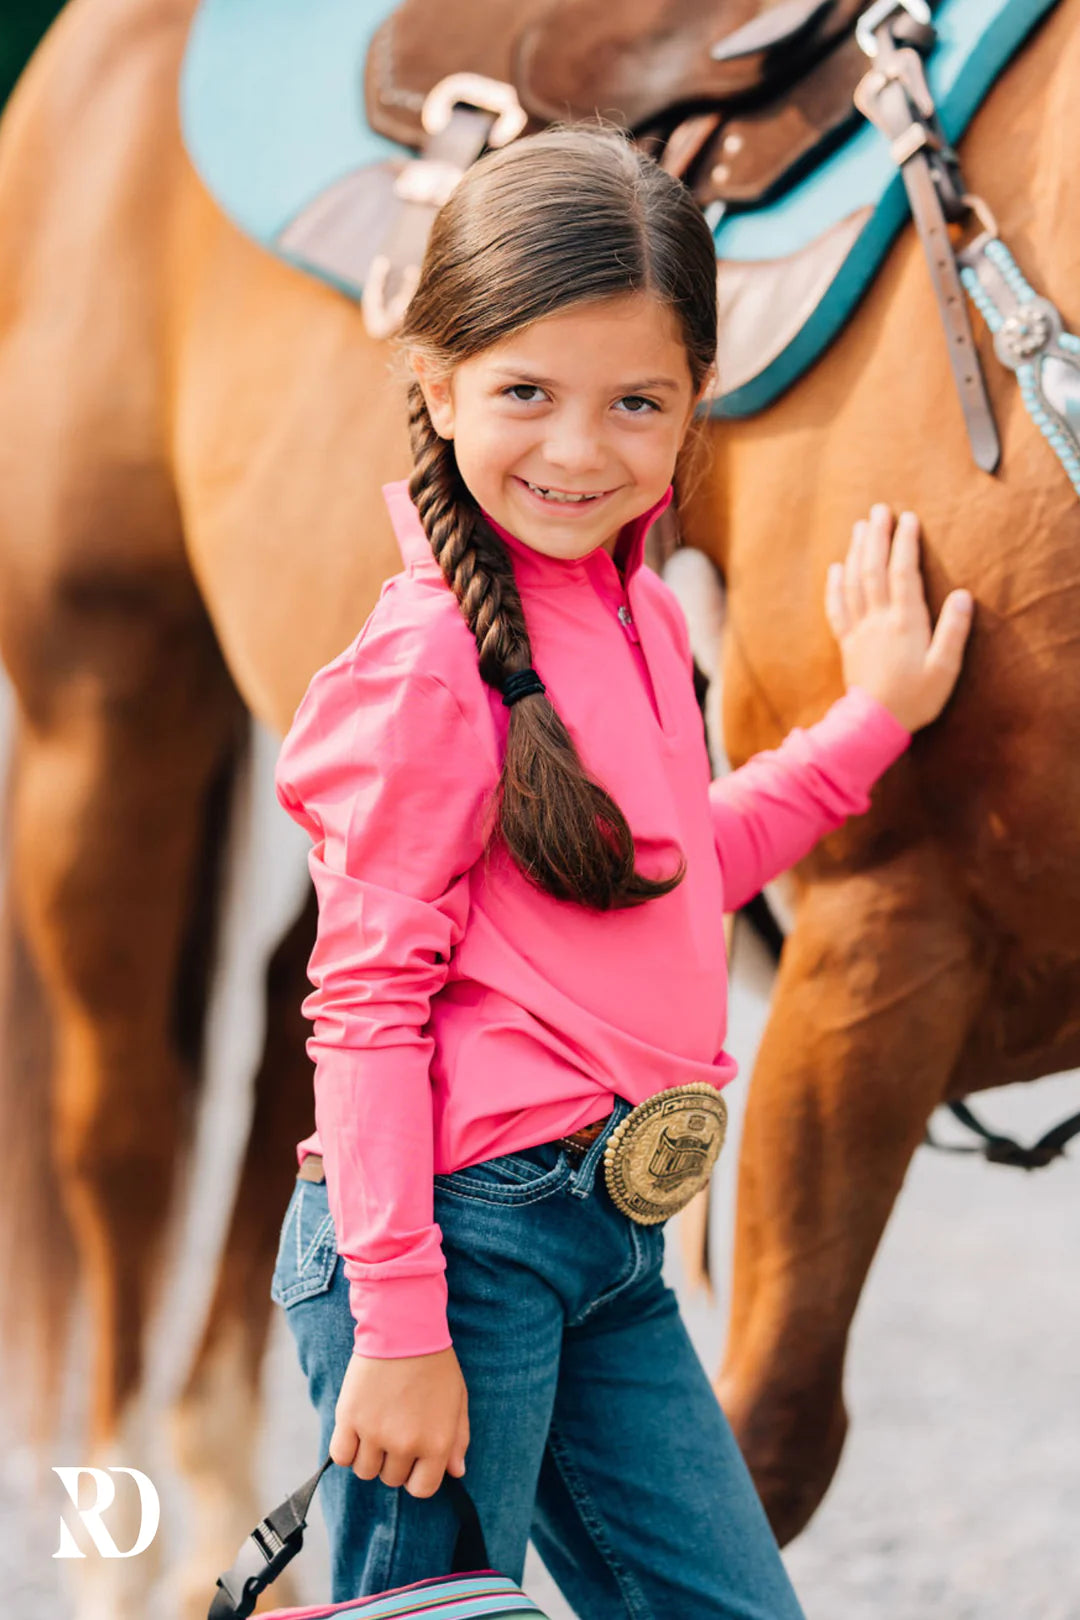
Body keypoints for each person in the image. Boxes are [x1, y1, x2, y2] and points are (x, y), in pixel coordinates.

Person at [269, 125, 973, 1617]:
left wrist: (873, 721)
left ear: (692, 405)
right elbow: (366, 1012)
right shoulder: (423, 674)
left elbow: (677, 866)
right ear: (436, 379)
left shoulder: (642, 617)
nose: (579, 450)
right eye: (526, 393)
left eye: (635, 402)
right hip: (457, 1249)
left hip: (611, 1248)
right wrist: (399, 1328)